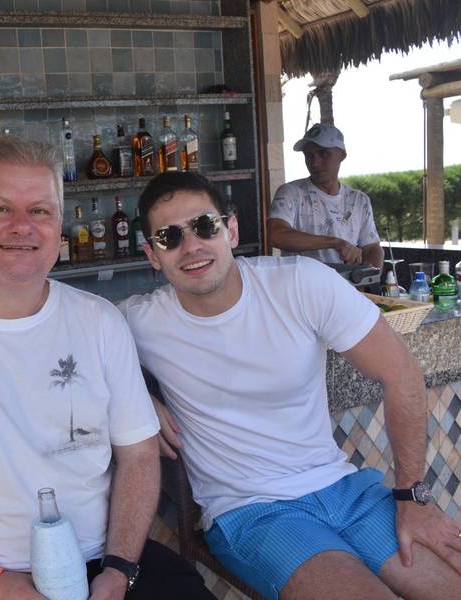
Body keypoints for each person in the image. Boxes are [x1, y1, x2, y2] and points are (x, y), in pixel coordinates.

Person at [0, 136, 214, 600]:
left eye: (40, 211)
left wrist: (118, 568)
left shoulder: (99, 320)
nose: (22, 226)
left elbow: (139, 455)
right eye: (0, 209)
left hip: (101, 560)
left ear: (59, 228)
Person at [120, 171, 461, 600]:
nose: (191, 247)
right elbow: (64, 349)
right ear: (153, 255)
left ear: (231, 229)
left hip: (345, 489)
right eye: (169, 237)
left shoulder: (300, 283)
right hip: (253, 513)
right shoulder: (140, 320)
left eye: (204, 226)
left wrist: (413, 496)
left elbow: (403, 374)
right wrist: (137, 397)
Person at [268, 123, 384, 269]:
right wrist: (335, 243)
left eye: (323, 153)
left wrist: (368, 277)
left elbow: (372, 247)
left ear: (342, 155)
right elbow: (275, 235)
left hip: (346, 288)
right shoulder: (291, 193)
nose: (315, 162)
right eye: (309, 155)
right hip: (303, 289)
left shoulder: (359, 200)